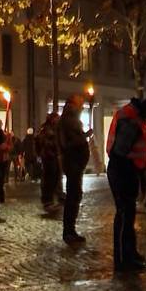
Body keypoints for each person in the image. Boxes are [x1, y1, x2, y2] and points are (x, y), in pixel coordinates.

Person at [107, 96, 146, 272]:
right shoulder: (131, 121)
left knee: (128, 215)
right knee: (125, 215)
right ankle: (124, 260)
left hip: (124, 170)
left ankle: (130, 253)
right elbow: (121, 151)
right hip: (123, 171)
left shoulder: (127, 115)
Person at [57, 94, 91, 243]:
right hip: (73, 162)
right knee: (73, 196)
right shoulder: (69, 119)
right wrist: (83, 137)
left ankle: (70, 230)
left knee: (75, 195)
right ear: (73, 103)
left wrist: (84, 136)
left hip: (75, 162)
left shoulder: (71, 119)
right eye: (80, 101)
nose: (82, 104)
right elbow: (69, 142)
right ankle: (69, 231)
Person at [38, 113, 61, 208]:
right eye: (56, 119)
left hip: (53, 156)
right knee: (49, 178)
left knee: (54, 177)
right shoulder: (47, 129)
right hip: (48, 157)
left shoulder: (55, 129)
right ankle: (47, 199)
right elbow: (45, 142)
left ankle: (52, 198)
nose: (58, 120)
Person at [0, 129, 14, 203]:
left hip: (3, 159)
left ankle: (0, 196)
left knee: (1, 178)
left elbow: (10, 147)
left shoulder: (7, 136)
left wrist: (5, 147)